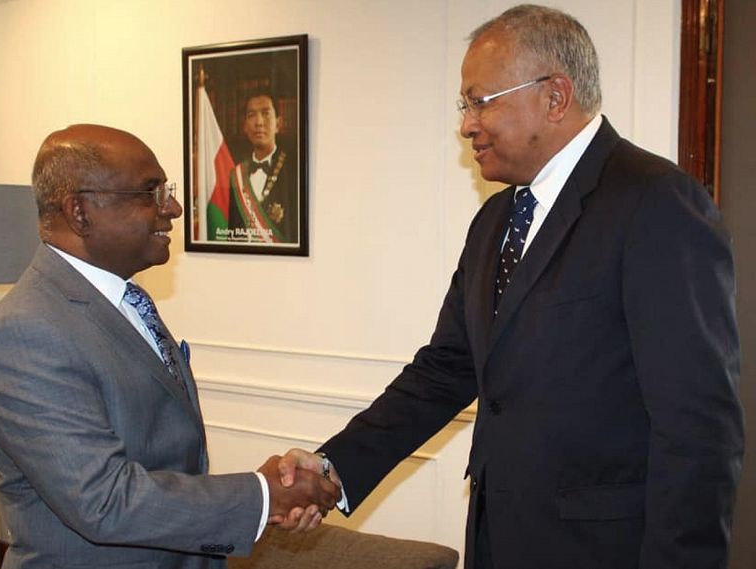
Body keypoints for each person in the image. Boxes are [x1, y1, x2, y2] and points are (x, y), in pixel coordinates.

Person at [279, 5, 744, 569]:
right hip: (498, 539)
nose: (467, 125)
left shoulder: (656, 203)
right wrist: (334, 469)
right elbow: (445, 370)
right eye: (465, 105)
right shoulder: (496, 219)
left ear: (555, 97)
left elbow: (698, 429)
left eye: (480, 101)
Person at [0, 124, 337, 569]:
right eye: (151, 193)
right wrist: (263, 497)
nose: (174, 208)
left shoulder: (126, 299)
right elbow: (105, 501)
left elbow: (164, 458)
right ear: (80, 212)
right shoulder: (25, 333)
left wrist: (264, 496)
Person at [226, 90, 299, 244]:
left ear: (278, 124)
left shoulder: (294, 171)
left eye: (265, 113)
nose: (259, 122)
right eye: (251, 115)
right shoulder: (236, 175)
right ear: (245, 126)